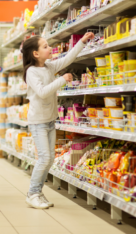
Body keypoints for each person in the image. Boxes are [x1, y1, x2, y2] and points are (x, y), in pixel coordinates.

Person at [22, 32, 94, 209]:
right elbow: (42, 92)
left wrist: (82, 42)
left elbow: (67, 59)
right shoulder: (32, 71)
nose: (50, 48)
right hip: (38, 121)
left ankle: (38, 192)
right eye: (45, 46)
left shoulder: (49, 66)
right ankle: (32, 193)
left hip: (50, 120)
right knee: (44, 158)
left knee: (51, 158)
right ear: (35, 54)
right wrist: (62, 79)